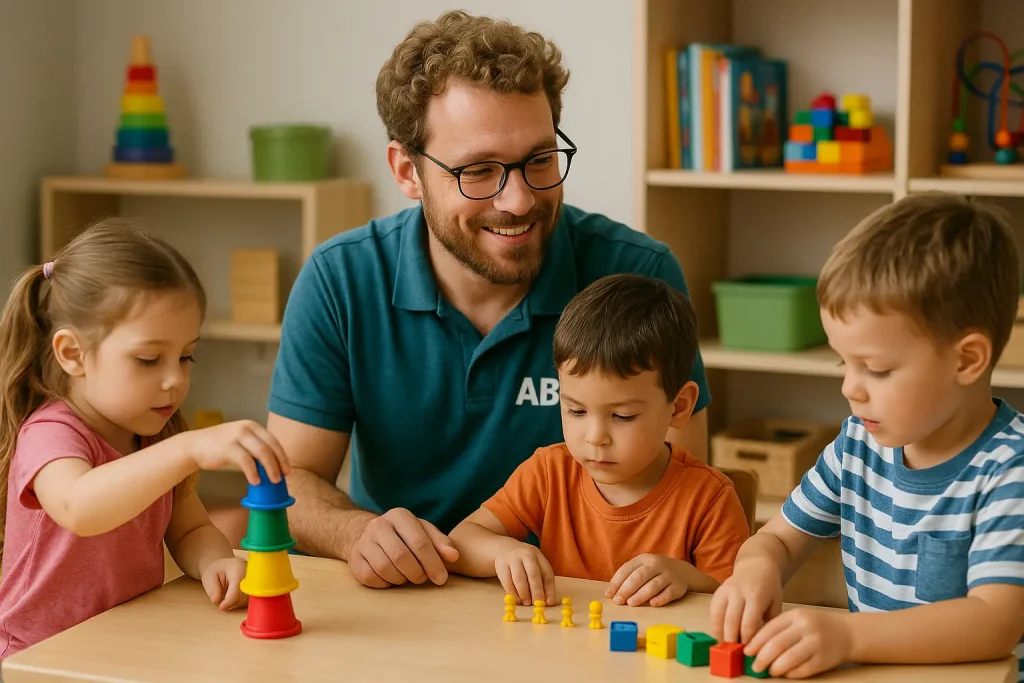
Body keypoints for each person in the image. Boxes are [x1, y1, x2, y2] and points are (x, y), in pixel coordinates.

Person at [266, 9, 712, 590]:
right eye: (478, 171)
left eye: (540, 160)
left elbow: (684, 487)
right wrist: (355, 533)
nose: (521, 200)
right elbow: (287, 483)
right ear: (407, 170)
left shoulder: (636, 275)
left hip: (575, 607)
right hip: (401, 604)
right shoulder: (339, 280)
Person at [709, 193, 1024, 680]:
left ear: (966, 360)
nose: (849, 388)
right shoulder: (858, 445)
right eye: (843, 361)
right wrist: (757, 569)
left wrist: (849, 636)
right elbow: (778, 540)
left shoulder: (1009, 468)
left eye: (875, 369)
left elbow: (995, 620)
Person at [0, 220, 291, 659]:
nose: (175, 379)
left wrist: (215, 560)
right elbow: (80, 506)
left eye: (186, 355)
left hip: (125, 645)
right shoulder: (50, 433)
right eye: (149, 359)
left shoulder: (155, 436)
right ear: (73, 354)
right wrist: (187, 449)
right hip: (37, 658)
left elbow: (190, 528)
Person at [447, 274, 748, 608]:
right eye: (575, 410)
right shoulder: (549, 473)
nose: (595, 438)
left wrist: (687, 578)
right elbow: (460, 541)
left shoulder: (710, 499)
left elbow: (737, 597)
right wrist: (503, 550)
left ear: (678, 407)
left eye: (622, 416)